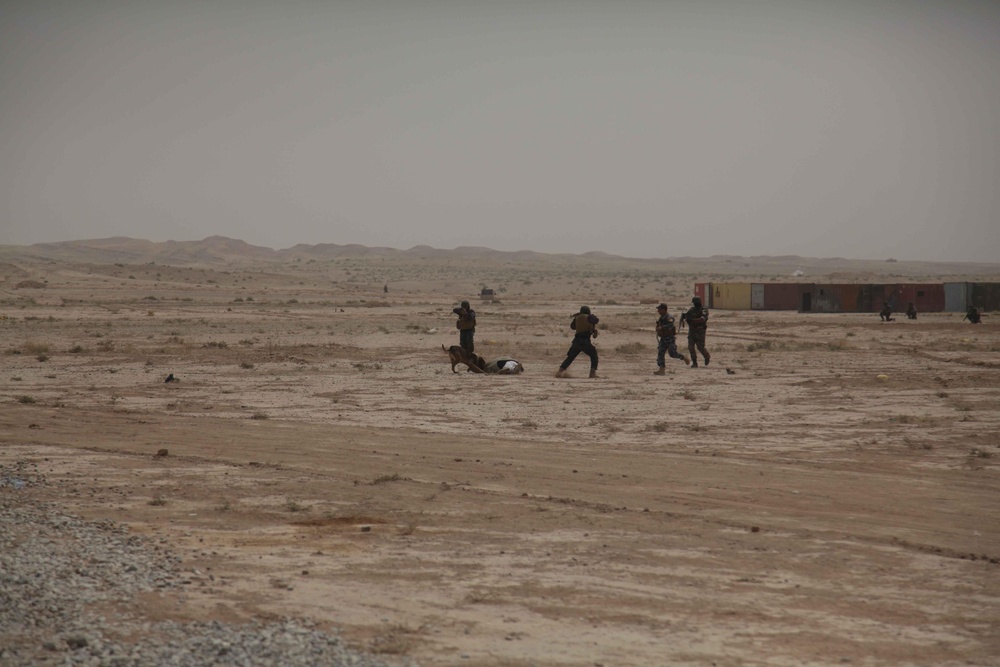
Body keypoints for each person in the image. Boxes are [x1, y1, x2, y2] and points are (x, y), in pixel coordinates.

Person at [556, 306, 600, 378]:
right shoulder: (590, 317)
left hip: (576, 341)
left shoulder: (577, 318)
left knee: (570, 357)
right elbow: (596, 320)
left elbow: (573, 327)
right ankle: (592, 373)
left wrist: (577, 317)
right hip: (585, 341)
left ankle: (559, 372)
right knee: (594, 355)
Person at [653, 303, 689, 375]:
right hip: (663, 338)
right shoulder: (661, 318)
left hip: (670, 338)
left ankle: (683, 357)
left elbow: (670, 324)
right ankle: (662, 369)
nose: (658, 311)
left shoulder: (669, 317)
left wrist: (662, 328)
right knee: (660, 353)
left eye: (659, 309)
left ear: (664, 309)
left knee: (673, 354)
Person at [680, 296, 710, 368]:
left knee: (700, 348)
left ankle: (707, 356)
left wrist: (693, 320)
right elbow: (687, 317)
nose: (696, 304)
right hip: (692, 331)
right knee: (691, 347)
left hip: (700, 331)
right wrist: (684, 316)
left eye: (697, 302)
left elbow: (702, 319)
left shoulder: (704, 310)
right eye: (694, 303)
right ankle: (694, 363)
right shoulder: (692, 310)